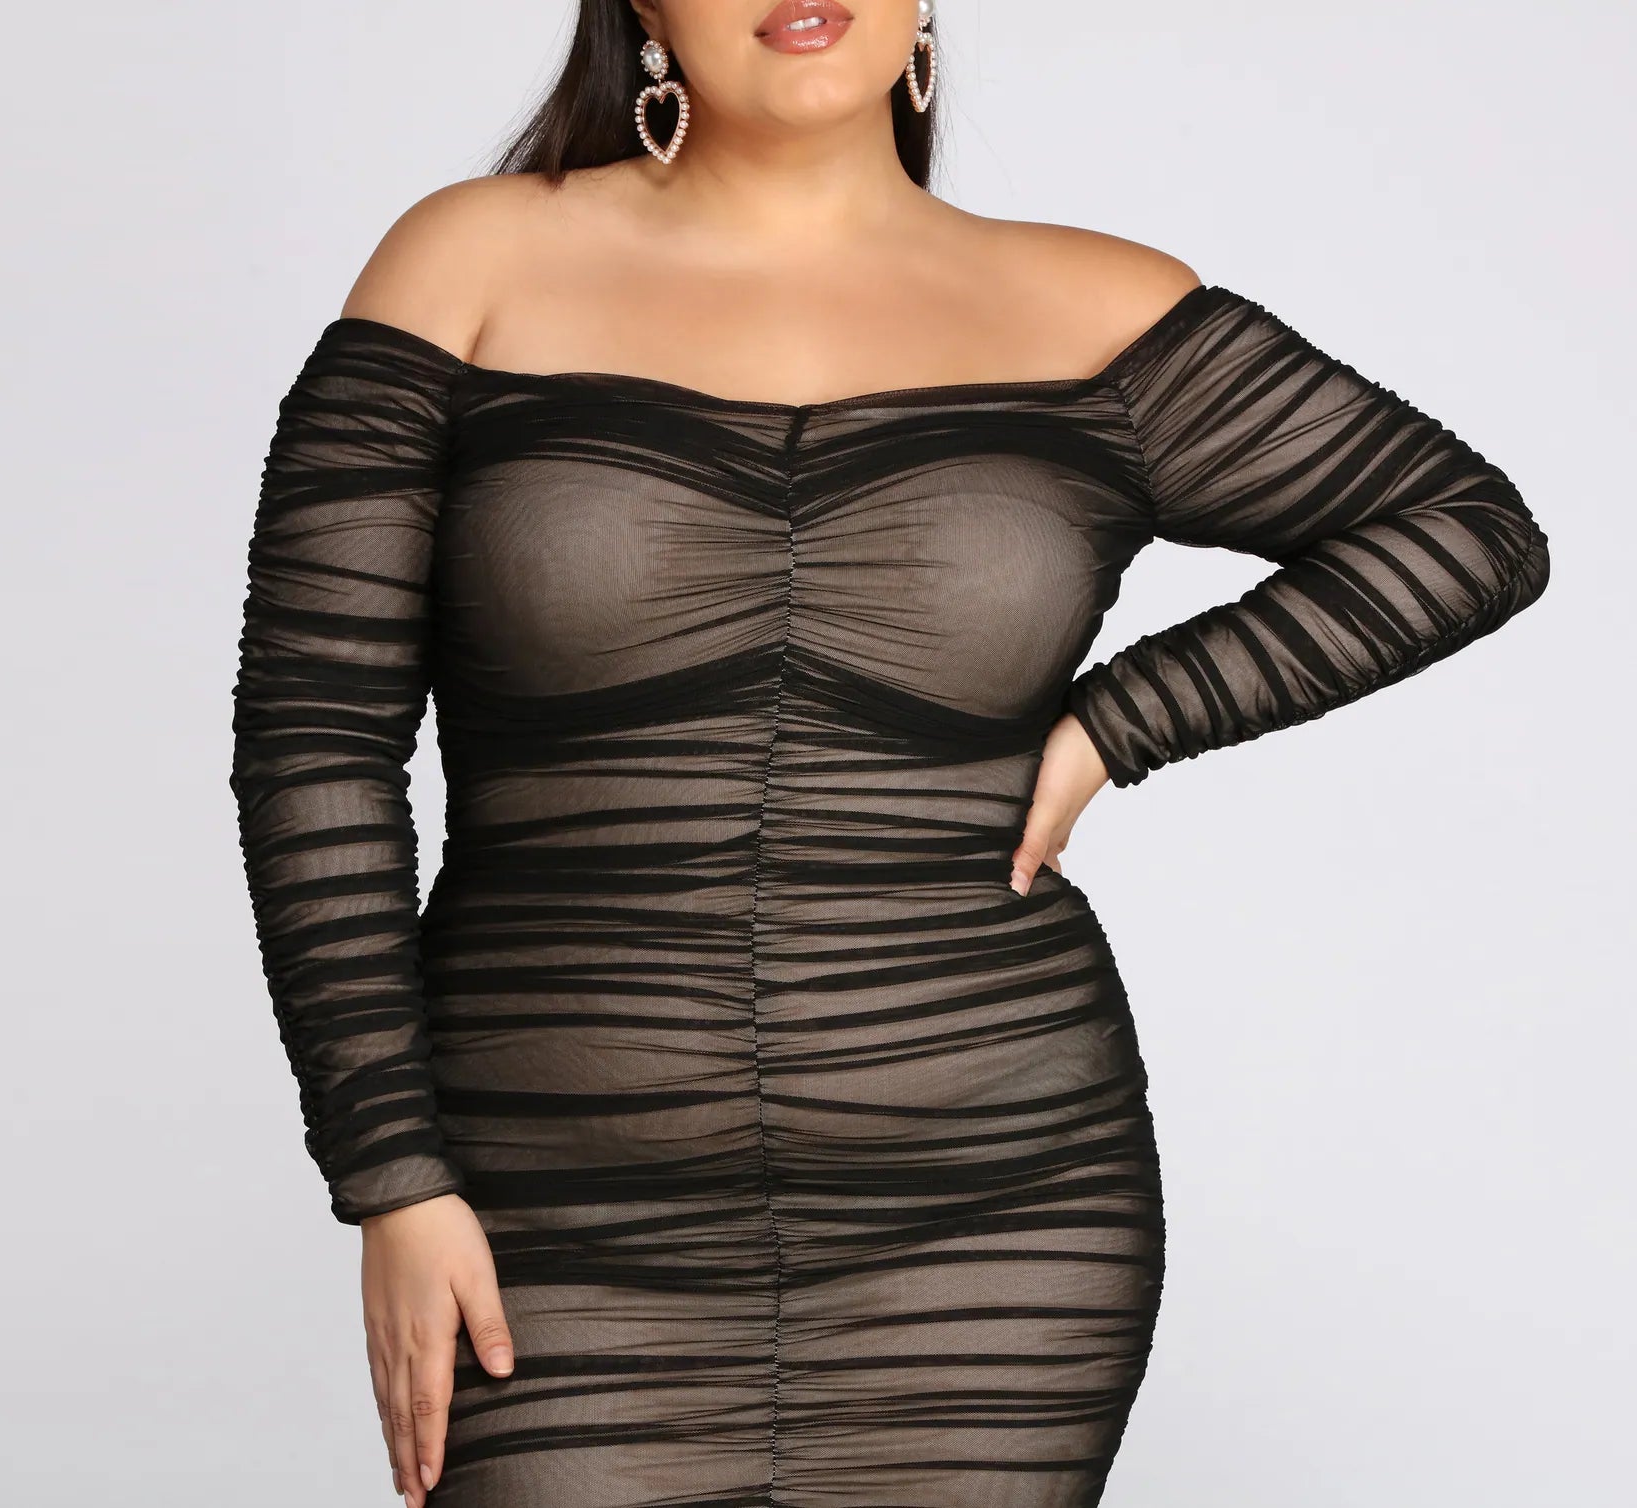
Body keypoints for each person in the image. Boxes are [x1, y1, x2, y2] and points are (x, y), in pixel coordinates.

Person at [228, 2, 1551, 1503]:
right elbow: (314, 744)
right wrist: (391, 1173)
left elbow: (1470, 532)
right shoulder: (468, 265)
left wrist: (1122, 723)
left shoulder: (1098, 311)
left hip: (999, 1217)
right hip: (547, 1207)